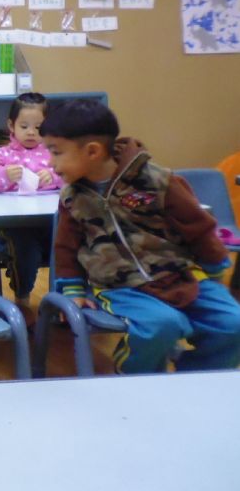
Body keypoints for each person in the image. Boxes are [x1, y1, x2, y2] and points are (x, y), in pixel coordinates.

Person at [41, 99, 240, 373]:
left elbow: (198, 226)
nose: (50, 163)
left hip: (180, 276)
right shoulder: (73, 198)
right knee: (162, 325)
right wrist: (73, 290)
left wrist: (214, 268)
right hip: (120, 288)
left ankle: (191, 378)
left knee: (233, 324)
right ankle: (134, 381)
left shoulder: (158, 181)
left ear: (92, 151)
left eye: (56, 152)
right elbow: (65, 248)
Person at [0, 92, 62, 322]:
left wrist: (54, 177)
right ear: (11, 126)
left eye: (39, 127)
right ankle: (22, 298)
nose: (31, 132)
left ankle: (63, 298)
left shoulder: (54, 155)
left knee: (67, 241)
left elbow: (70, 182)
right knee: (25, 247)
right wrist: (5, 176)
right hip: (12, 229)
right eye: (24, 126)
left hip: (48, 226)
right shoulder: (3, 155)